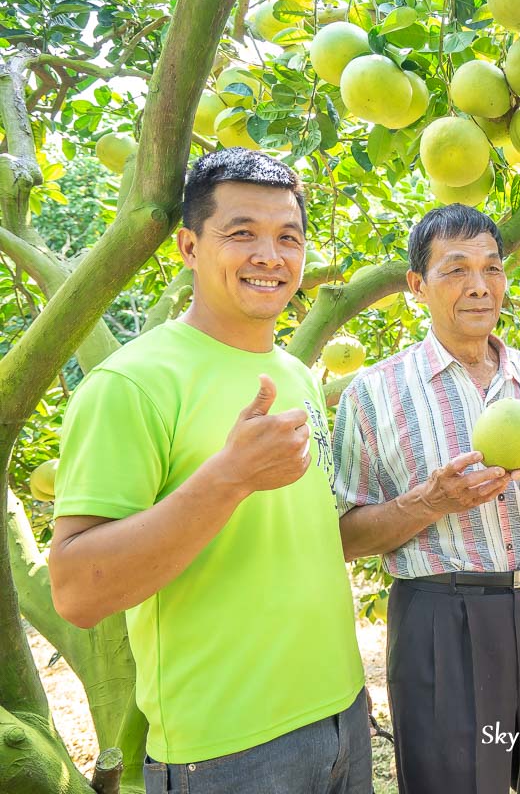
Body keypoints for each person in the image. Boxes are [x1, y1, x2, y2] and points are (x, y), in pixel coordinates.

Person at [49, 148, 371, 794]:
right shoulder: (132, 385)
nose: (269, 255)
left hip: (344, 716)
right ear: (189, 249)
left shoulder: (295, 374)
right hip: (225, 752)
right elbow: (77, 591)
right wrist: (228, 478)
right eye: (242, 233)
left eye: (288, 237)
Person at [332, 204, 520, 794]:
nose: (480, 286)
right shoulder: (374, 393)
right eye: (456, 270)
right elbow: (342, 536)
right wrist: (429, 502)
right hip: (442, 620)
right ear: (418, 286)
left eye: (492, 268)